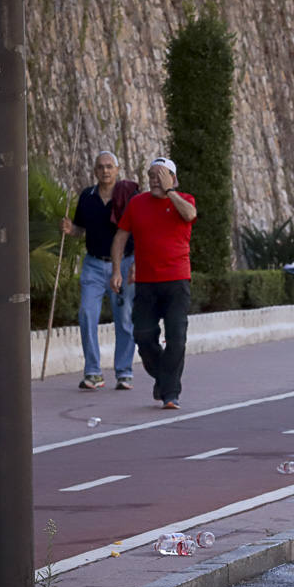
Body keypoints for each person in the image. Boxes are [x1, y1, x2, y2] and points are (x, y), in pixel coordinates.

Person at [110, 157, 197, 410]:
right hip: (146, 283)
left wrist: (170, 192)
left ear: (173, 178)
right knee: (143, 336)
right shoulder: (137, 204)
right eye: (151, 175)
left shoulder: (185, 201)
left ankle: (170, 393)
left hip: (177, 281)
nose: (155, 180)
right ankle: (165, 379)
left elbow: (190, 215)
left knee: (176, 339)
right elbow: (120, 237)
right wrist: (116, 270)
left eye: (161, 175)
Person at [61, 151, 138, 391]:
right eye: (101, 167)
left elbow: (140, 230)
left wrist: (136, 263)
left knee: (124, 319)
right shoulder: (87, 197)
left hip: (124, 264)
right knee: (86, 314)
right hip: (93, 264)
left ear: (117, 170)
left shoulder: (129, 197)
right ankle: (93, 372)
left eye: (109, 167)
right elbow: (80, 229)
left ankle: (124, 372)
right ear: (95, 171)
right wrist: (69, 228)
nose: (105, 171)